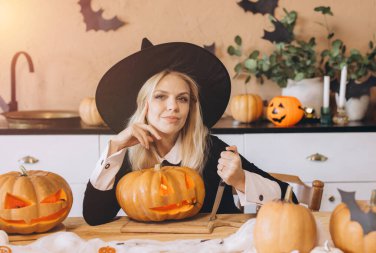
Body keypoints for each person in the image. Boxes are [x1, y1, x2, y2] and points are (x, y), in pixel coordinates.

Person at [83, 38, 294, 226]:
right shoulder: (126, 155)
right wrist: (116, 147)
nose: (173, 107)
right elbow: (94, 216)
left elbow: (290, 199)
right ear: (143, 105)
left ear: (191, 108)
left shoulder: (212, 149)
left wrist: (240, 179)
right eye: (160, 96)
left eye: (182, 99)